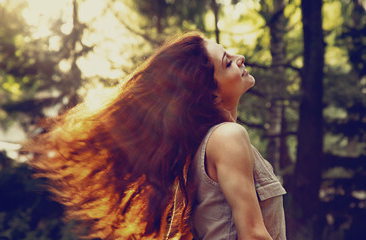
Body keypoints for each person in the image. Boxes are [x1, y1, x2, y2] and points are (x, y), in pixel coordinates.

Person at [26, 31, 286, 240]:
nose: (239, 57)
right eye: (227, 62)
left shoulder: (202, 146)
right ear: (212, 95)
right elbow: (253, 234)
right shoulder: (228, 136)